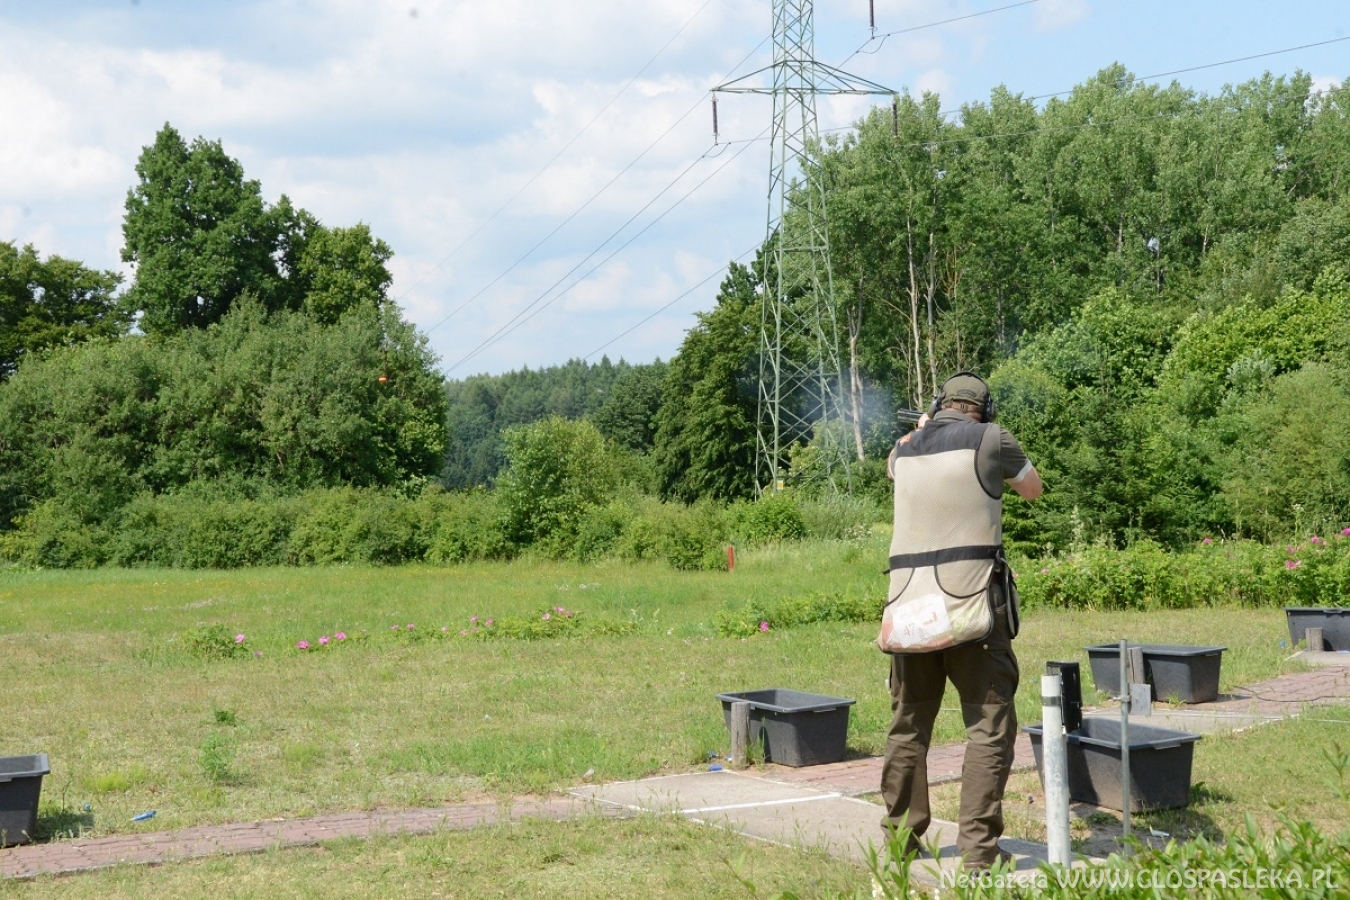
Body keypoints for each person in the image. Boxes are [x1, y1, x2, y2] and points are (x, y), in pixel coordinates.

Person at [879, 371, 1042, 872]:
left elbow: (895, 470)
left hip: (909, 612)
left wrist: (922, 428)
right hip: (973, 611)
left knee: (908, 728)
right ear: (984, 409)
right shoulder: (993, 438)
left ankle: (901, 845)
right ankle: (979, 855)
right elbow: (1032, 489)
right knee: (989, 728)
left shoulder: (903, 450)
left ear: (939, 404)